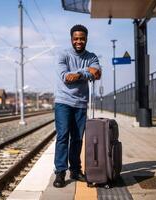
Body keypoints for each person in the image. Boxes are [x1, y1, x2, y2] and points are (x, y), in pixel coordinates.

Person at [53, 24, 101, 188]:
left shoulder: (92, 56)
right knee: (63, 136)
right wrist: (86, 72)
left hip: (81, 103)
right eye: (76, 38)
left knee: (78, 139)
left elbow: (98, 74)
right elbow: (67, 77)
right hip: (63, 102)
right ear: (71, 39)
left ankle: (75, 170)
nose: (78, 41)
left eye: (82, 38)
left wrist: (79, 73)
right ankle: (60, 172)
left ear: (86, 39)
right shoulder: (63, 55)